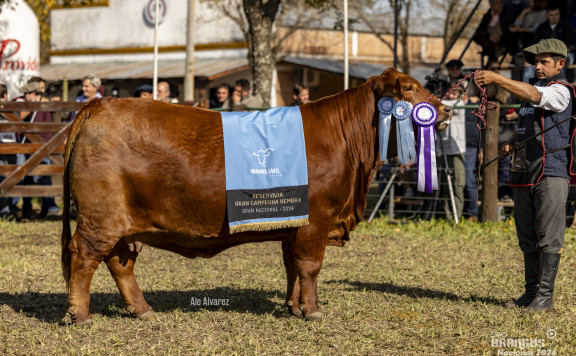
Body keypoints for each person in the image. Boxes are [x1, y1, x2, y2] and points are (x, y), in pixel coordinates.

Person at [476, 38, 573, 312]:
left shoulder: (562, 91)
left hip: (550, 172)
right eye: (535, 62)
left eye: (544, 62)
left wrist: (496, 78)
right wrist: (513, 142)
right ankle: (531, 293)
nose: (538, 66)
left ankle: (545, 297)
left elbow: (535, 97)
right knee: (527, 235)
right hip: (523, 171)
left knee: (549, 237)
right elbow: (528, 123)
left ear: (560, 64)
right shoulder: (532, 88)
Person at [12, 81, 61, 219]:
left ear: (32, 93)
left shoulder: (41, 104)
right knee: (21, 175)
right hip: (28, 143)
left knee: (40, 175)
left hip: (41, 144)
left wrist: (35, 105)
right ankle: (23, 208)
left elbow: (21, 116)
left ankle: (51, 207)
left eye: (26, 93)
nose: (24, 95)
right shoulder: (30, 103)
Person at [437, 83, 467, 220]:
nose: (452, 96)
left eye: (455, 94)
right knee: (444, 187)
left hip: (457, 150)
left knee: (457, 185)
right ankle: (446, 215)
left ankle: (456, 216)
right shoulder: (441, 106)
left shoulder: (458, 105)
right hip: (442, 149)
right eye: (450, 93)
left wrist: (434, 100)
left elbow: (454, 104)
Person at [0, 84, 18, 219]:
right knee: (9, 179)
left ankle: (7, 210)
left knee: (5, 178)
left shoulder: (12, 109)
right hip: (12, 147)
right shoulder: (13, 109)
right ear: (6, 95)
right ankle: (8, 210)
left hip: (7, 147)